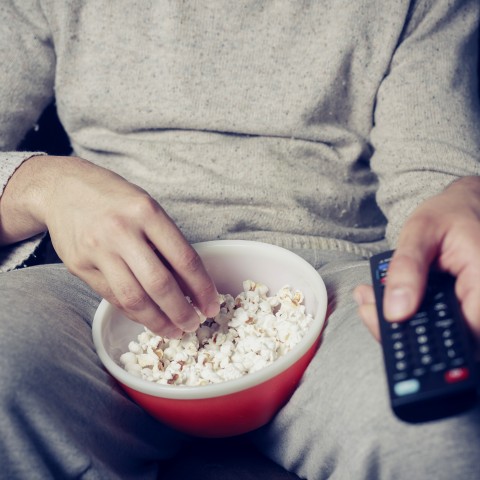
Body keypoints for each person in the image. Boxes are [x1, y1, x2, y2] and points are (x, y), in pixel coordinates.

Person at [0, 1, 479, 478]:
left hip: (331, 286)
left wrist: (462, 200)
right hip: (96, 276)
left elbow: (432, 179)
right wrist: (43, 186)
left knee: (437, 428)